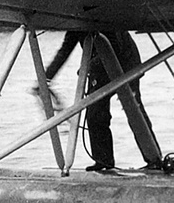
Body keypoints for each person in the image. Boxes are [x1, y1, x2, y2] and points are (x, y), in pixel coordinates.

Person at [42, 30, 159, 171]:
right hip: (99, 66)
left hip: (125, 62)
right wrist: (46, 79)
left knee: (134, 111)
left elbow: (115, 46)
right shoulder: (76, 22)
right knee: (95, 114)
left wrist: (88, 66)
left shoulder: (106, 15)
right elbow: (65, 50)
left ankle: (154, 160)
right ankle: (103, 161)